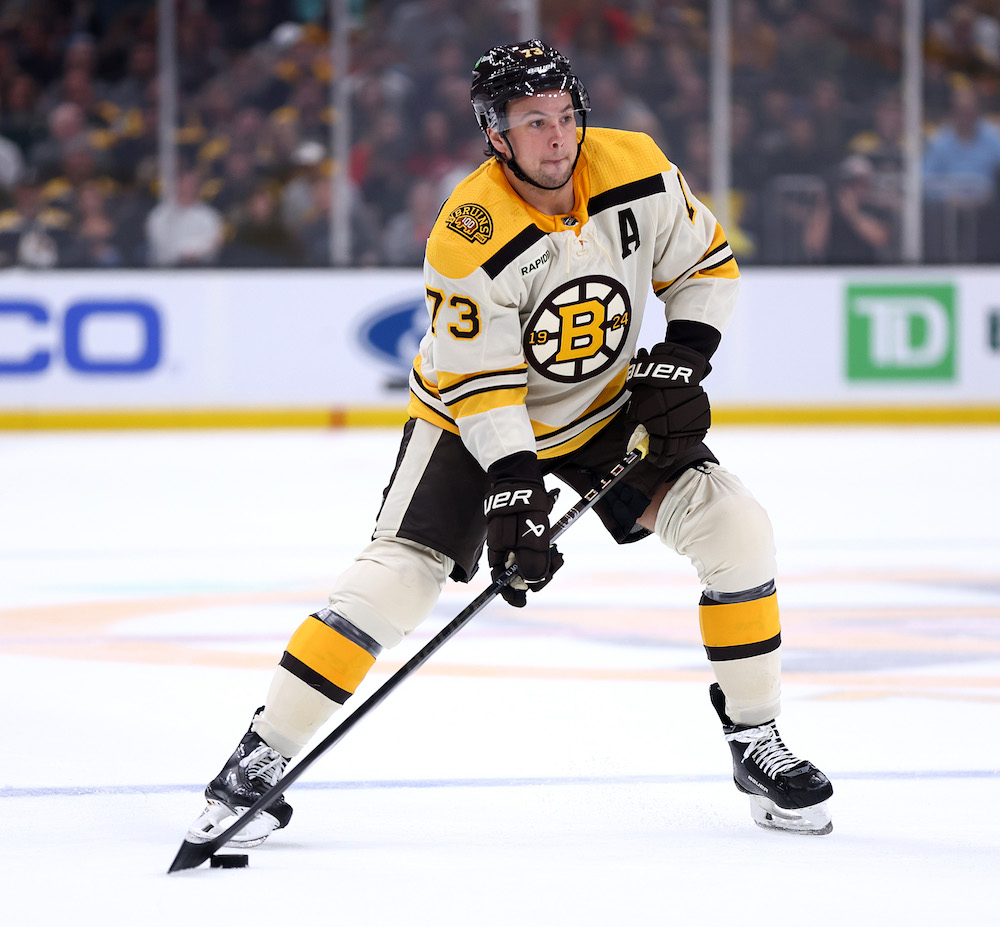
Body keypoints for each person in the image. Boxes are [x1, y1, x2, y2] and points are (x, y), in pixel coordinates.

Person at [183, 40, 834, 850]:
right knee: (397, 580)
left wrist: (683, 357)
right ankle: (261, 752)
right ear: (498, 135)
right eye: (535, 123)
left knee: (736, 526)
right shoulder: (469, 232)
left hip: (600, 407)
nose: (558, 137)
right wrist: (514, 491)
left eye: (565, 116)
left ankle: (755, 740)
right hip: (468, 421)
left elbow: (704, 262)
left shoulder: (633, 165)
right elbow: (485, 385)